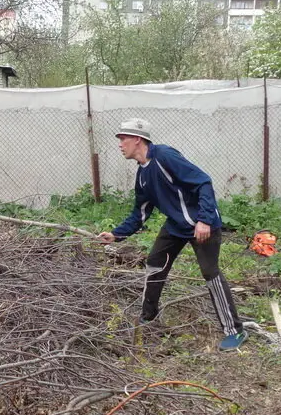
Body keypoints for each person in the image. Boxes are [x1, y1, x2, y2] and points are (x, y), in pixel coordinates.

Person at [97, 118, 247, 351]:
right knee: (155, 263)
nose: (120, 144)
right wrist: (117, 235)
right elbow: (141, 213)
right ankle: (148, 317)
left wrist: (205, 220)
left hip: (202, 225)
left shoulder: (165, 156)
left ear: (138, 139)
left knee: (210, 273)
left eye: (123, 139)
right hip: (176, 227)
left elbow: (203, 182)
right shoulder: (142, 176)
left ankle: (234, 330)